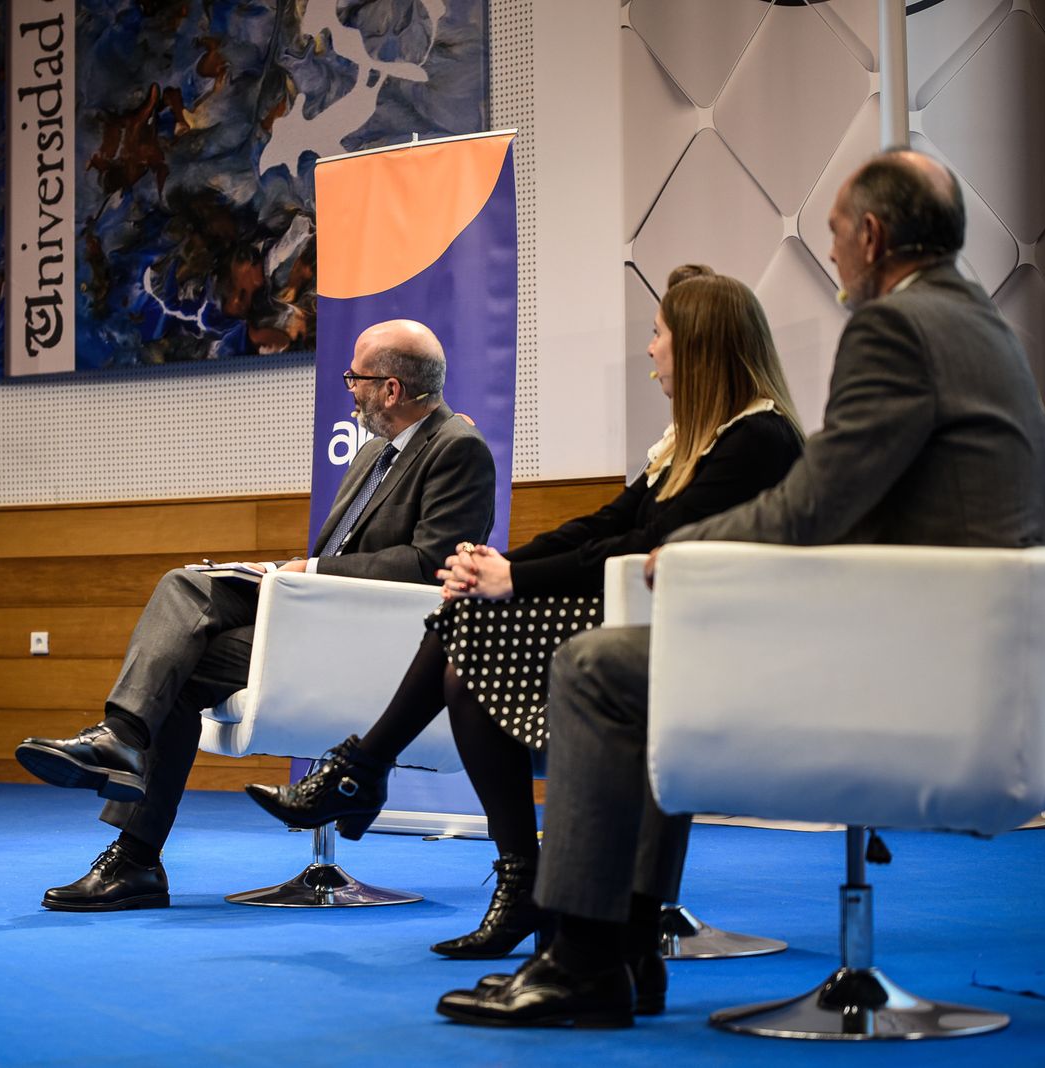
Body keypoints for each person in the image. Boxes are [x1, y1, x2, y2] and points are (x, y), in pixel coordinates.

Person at [434, 149, 1045, 1029]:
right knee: (643, 671)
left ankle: (583, 961)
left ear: (872, 236)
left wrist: (687, 549)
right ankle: (630, 950)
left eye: (836, 235)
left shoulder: (897, 330)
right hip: (967, 659)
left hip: (901, 672)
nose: (833, 254)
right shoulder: (984, 329)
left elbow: (815, 503)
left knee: (595, 667)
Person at [245, 269, 804, 984]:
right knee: (469, 649)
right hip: (657, 628)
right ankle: (508, 874)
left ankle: (370, 776)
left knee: (470, 633)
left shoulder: (756, 440)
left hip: (711, 652)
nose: (650, 349)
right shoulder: (697, 440)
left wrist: (515, 579)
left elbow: (644, 545)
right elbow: (608, 523)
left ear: (699, 348)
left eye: (660, 334)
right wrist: (497, 563)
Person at [13, 319, 498, 911]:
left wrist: (308, 574)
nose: (349, 388)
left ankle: (129, 805)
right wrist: (287, 574)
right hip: (318, 614)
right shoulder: (374, 452)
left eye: (357, 377)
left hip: (371, 643)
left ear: (391, 389)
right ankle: (129, 793)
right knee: (184, 597)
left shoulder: (457, 447)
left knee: (185, 644)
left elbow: (432, 565)